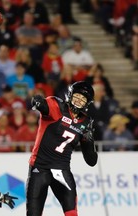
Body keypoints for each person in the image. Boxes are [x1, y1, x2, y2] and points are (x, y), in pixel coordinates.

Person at [27, 81, 98, 216]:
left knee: (72, 213)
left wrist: (89, 140)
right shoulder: (57, 106)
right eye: (77, 96)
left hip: (62, 170)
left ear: (87, 103)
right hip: (39, 168)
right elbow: (42, 105)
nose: (79, 100)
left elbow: (91, 161)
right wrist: (38, 101)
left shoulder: (86, 123)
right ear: (70, 95)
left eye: (83, 98)